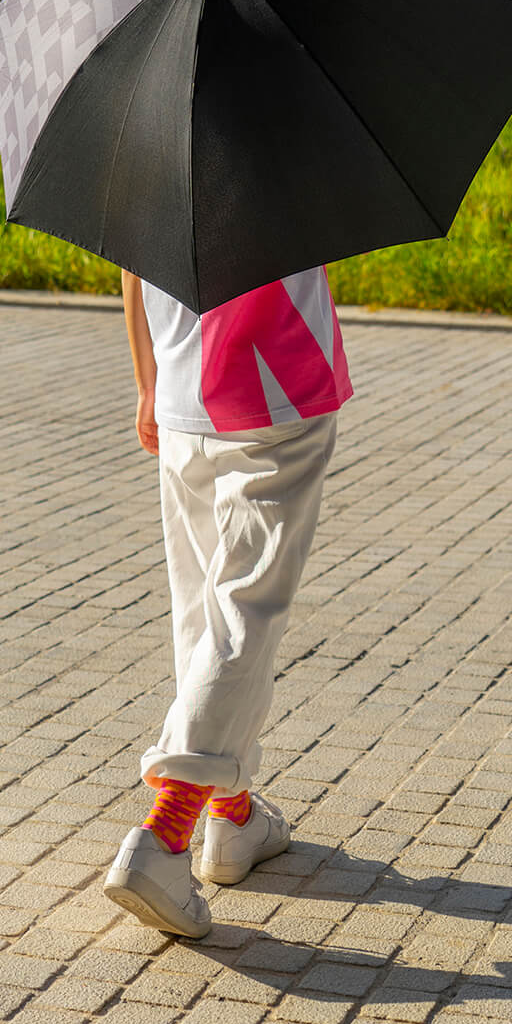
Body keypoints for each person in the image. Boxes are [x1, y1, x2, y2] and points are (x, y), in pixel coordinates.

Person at [103, 266, 353, 938]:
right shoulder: (301, 152)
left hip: (181, 389)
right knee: (248, 608)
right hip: (277, 386)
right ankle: (166, 833)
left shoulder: (150, 154)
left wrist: (147, 380)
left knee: (202, 614)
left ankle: (233, 815)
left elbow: (133, 260)